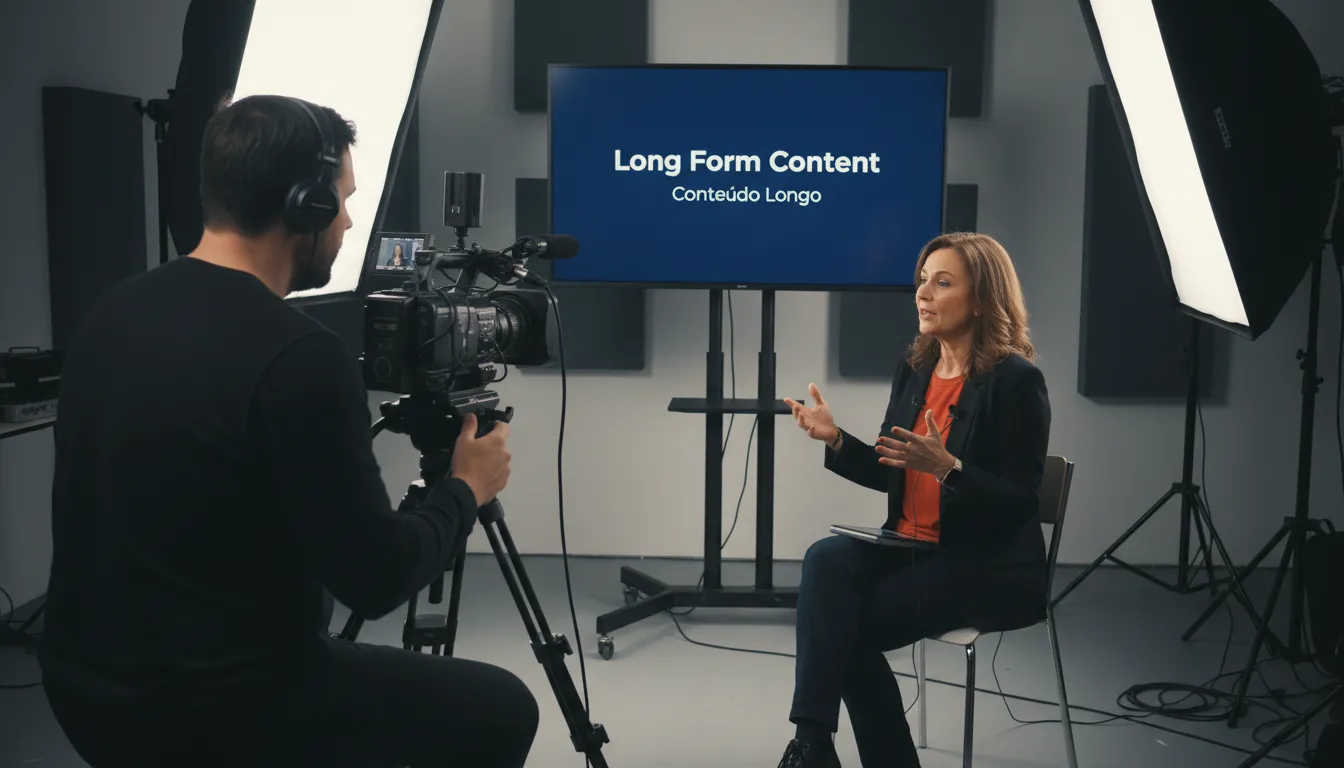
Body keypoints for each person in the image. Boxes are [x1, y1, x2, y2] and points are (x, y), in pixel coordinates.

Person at [38, 95, 539, 767]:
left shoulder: (110, 313)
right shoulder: (299, 354)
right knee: (504, 708)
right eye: (343, 201)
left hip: (84, 693)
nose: (348, 220)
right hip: (223, 710)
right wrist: (464, 488)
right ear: (306, 206)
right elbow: (376, 578)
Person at [776, 232, 1051, 767]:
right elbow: (891, 473)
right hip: (910, 545)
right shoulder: (917, 370)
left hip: (981, 562)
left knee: (844, 628)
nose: (923, 293)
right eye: (922, 280)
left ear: (981, 298)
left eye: (942, 282)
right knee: (824, 558)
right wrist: (836, 440)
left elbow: (1021, 502)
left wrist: (949, 468)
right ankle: (813, 745)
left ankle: (816, 749)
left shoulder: (1016, 381)